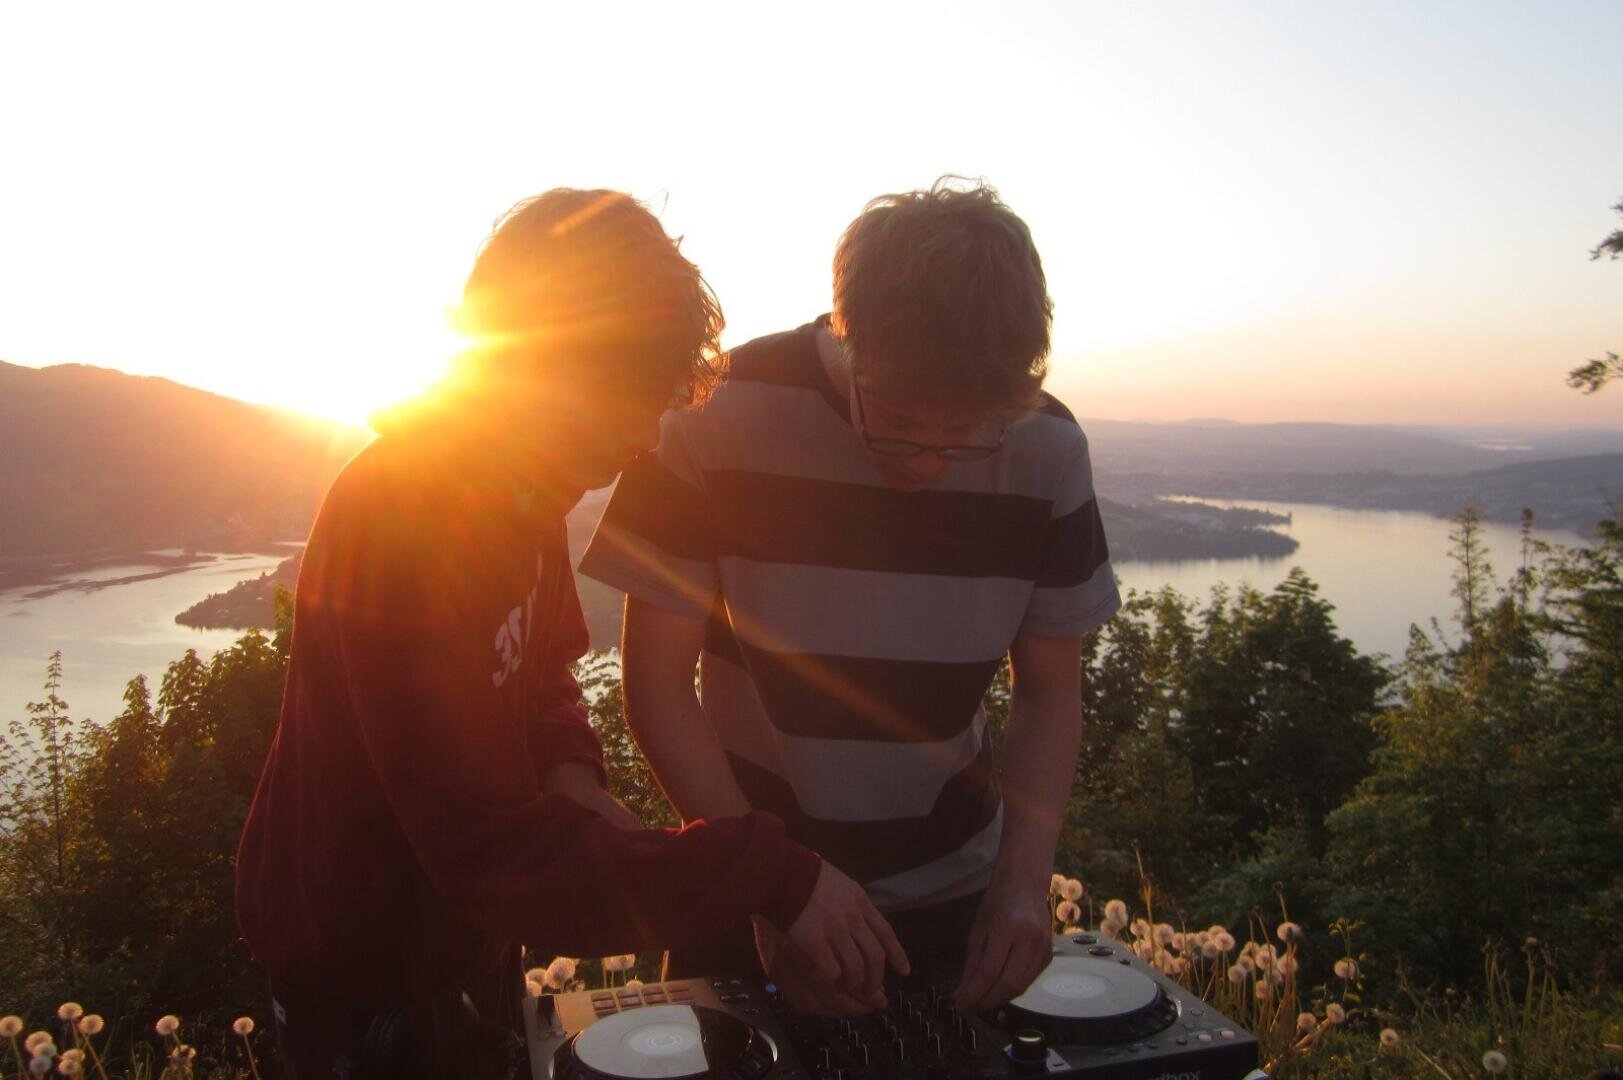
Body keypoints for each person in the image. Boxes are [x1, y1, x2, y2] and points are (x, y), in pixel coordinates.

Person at [234, 188, 906, 1080]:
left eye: (660, 395)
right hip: (355, 969)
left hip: (458, 945)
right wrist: (771, 874)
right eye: (628, 396)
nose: (646, 432)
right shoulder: (406, 518)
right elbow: (495, 853)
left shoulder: (521, 492)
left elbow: (542, 671)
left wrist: (568, 770)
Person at [580, 177, 1121, 1017]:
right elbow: (654, 686)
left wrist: (1022, 887)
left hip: (955, 904)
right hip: (741, 878)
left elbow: (1050, 690)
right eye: (899, 421)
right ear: (848, 334)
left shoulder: (1045, 446)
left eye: (967, 436)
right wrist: (767, 885)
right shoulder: (712, 415)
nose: (929, 462)